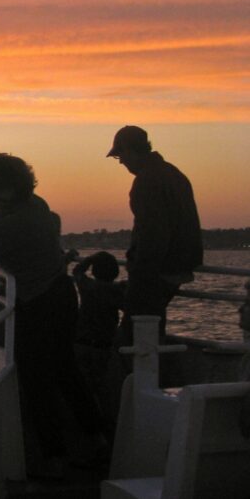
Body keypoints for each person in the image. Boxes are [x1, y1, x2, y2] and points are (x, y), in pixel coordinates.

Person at [0, 153, 105, 478]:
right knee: (66, 370)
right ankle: (96, 440)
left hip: (40, 303)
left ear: (11, 188)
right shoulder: (33, 205)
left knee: (37, 380)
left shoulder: (17, 222)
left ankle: (54, 459)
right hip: (60, 295)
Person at [106, 125, 202, 343]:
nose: (120, 161)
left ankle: (145, 376)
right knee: (152, 333)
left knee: (134, 338)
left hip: (155, 273)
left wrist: (140, 274)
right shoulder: (173, 174)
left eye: (120, 155)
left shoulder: (146, 181)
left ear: (130, 150)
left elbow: (153, 234)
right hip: (177, 267)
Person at [71, 251, 125, 433]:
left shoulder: (87, 287)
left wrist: (89, 259)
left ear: (94, 271)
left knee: (82, 388)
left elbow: (77, 272)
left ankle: (84, 427)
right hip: (103, 347)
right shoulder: (118, 291)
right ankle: (105, 426)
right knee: (101, 387)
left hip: (81, 343)